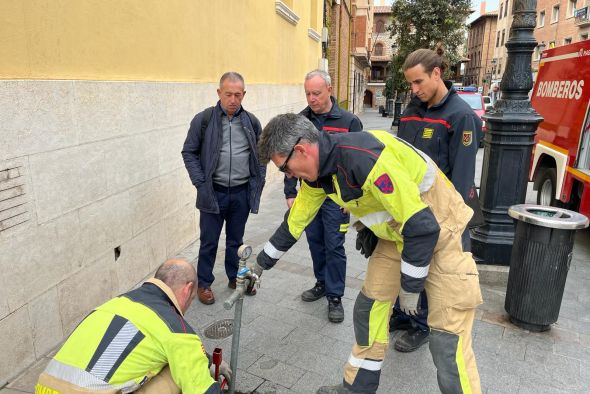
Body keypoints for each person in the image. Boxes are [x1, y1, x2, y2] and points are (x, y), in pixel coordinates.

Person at [248, 113, 483, 394]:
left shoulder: (363, 158)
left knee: (447, 339)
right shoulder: (317, 176)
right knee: (369, 309)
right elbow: (295, 221)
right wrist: (260, 263)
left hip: (443, 231)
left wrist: (411, 287)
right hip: (399, 234)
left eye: (284, 167)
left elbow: (422, 226)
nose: (287, 175)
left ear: (301, 149)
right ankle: (357, 387)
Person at [390, 48, 483, 353]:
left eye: (419, 82)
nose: (414, 90)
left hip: (439, 209)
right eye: (411, 84)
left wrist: (449, 224)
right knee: (409, 260)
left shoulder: (461, 116)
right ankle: (403, 315)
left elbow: (462, 177)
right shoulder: (411, 110)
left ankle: (422, 325)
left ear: (437, 73)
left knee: (431, 268)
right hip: (409, 204)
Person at [35, 259, 231, 394]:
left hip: (44, 387)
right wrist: (206, 373)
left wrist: (205, 361)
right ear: (188, 289)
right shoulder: (175, 328)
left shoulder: (115, 303)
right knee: (176, 372)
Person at [182, 71, 266, 305]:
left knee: (236, 241)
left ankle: (234, 277)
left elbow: (261, 155)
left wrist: (257, 181)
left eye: (237, 95)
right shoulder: (205, 119)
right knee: (209, 241)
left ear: (244, 95)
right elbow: (189, 152)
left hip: (241, 192)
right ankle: (205, 284)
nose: (232, 99)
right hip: (213, 192)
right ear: (219, 93)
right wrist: (200, 182)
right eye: (228, 94)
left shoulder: (251, 122)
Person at [285, 69, 363, 323]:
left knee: (335, 245)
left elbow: (357, 162)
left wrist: (351, 200)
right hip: (309, 194)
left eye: (316, 93)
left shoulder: (349, 121)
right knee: (315, 242)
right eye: (307, 93)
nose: (311, 98)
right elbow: (289, 159)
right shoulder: (299, 121)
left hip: (336, 199)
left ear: (329, 89)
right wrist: (289, 193)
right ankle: (321, 283)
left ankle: (335, 296)